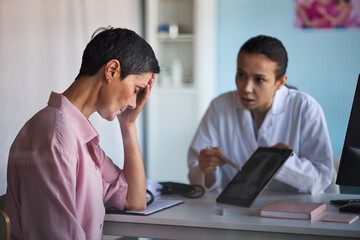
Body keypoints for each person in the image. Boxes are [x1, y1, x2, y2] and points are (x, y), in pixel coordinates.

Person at [4, 27, 160, 239]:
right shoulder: (55, 136)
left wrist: (128, 126)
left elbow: (134, 199)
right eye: (136, 90)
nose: (134, 103)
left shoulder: (79, 136)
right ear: (112, 70)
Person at [187, 35, 333, 194]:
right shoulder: (219, 106)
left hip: (295, 213)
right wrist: (207, 170)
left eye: (259, 80)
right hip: (234, 211)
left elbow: (322, 179)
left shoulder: (305, 108)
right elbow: (197, 179)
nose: (246, 88)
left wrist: (284, 162)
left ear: (280, 82)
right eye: (241, 75)